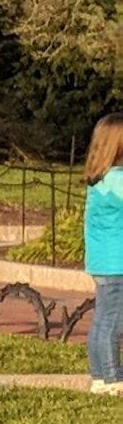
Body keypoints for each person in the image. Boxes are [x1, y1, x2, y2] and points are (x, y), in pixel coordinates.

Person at [88, 141, 123, 388]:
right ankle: (113, 379)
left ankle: (99, 376)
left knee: (101, 319)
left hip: (101, 260)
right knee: (113, 322)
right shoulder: (117, 179)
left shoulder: (98, 179)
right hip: (117, 261)